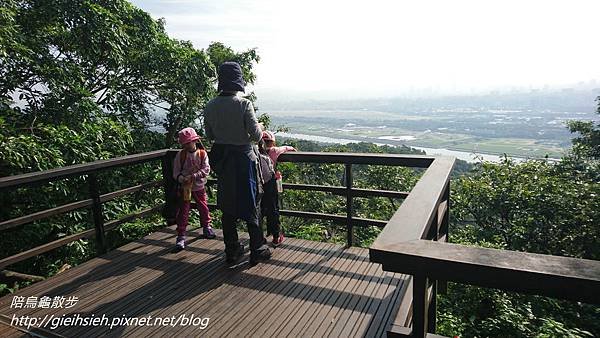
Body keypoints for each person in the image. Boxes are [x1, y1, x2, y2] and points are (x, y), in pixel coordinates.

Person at [203, 61, 271, 265]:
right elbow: (256, 134)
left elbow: (209, 134)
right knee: (251, 204)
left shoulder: (210, 105)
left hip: (223, 159)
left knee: (228, 205)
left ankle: (231, 250)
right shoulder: (243, 104)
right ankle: (257, 248)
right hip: (243, 160)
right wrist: (259, 126)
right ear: (239, 81)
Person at [173, 127, 216, 250]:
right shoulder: (180, 155)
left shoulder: (202, 154)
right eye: (184, 143)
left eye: (188, 143)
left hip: (198, 186)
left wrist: (194, 176)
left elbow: (206, 169)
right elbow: (176, 172)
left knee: (203, 206)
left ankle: (206, 227)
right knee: (183, 210)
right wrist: (182, 178)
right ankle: (181, 235)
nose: (187, 145)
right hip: (185, 187)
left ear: (195, 141)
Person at [257, 137, 284, 247]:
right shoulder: (273, 151)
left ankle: (259, 237)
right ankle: (276, 237)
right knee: (273, 209)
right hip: (270, 184)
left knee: (260, 210)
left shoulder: (254, 152)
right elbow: (285, 148)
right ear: (272, 142)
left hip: (258, 184)